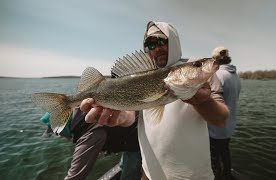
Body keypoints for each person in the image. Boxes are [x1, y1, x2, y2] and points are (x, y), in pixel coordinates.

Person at [80, 21, 230, 180]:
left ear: (173, 41)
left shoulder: (201, 78)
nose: (157, 47)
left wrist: (202, 101)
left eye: (162, 41)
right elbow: (136, 113)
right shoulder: (143, 76)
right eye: (151, 44)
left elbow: (221, 119)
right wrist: (122, 118)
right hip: (149, 173)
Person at [39, 75, 142, 180]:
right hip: (128, 134)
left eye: (57, 132)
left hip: (135, 144)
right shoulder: (78, 113)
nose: (59, 135)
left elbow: (76, 174)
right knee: (124, 163)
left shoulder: (89, 136)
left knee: (130, 173)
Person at [208, 47, 241, 180]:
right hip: (229, 126)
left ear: (214, 60)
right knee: (225, 153)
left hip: (215, 128)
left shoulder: (217, 75)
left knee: (214, 159)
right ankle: (227, 175)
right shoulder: (235, 76)